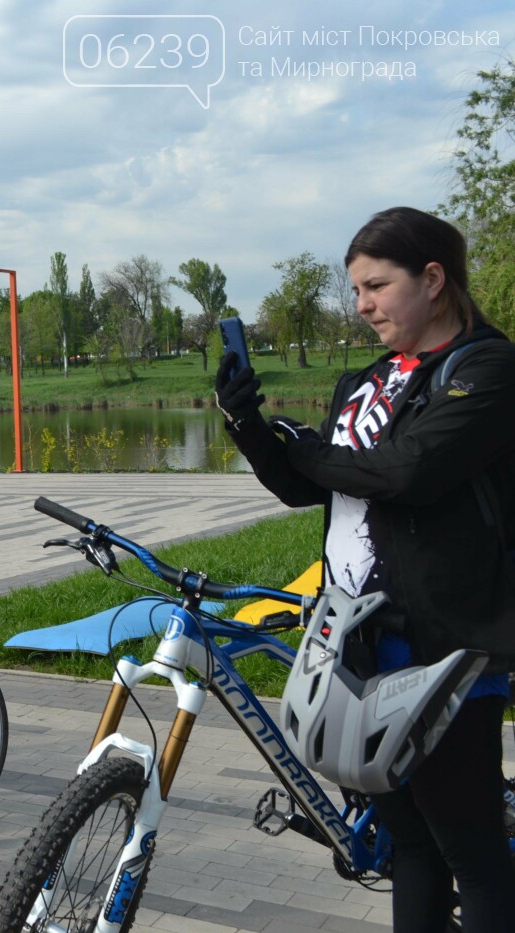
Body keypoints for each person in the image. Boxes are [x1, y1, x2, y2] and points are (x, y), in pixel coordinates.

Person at [215, 206, 515, 933]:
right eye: (355, 290)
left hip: (444, 643)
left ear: (434, 279)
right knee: (409, 846)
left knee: (471, 853)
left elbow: (408, 471)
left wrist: (306, 446)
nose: (363, 305)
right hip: (355, 640)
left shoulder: (487, 366)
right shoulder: (365, 379)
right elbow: (312, 485)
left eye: (377, 286)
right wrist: (251, 428)